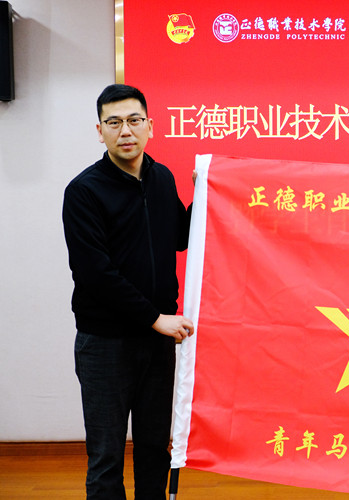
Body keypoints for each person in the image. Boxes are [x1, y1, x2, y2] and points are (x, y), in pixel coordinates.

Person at [62, 84, 194, 499]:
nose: (126, 131)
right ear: (99, 131)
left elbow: (181, 237)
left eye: (134, 120)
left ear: (150, 126)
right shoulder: (84, 191)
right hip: (106, 344)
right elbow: (96, 274)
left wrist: (208, 193)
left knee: (154, 449)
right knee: (106, 456)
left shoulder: (161, 177)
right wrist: (155, 319)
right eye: (114, 122)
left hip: (157, 343)